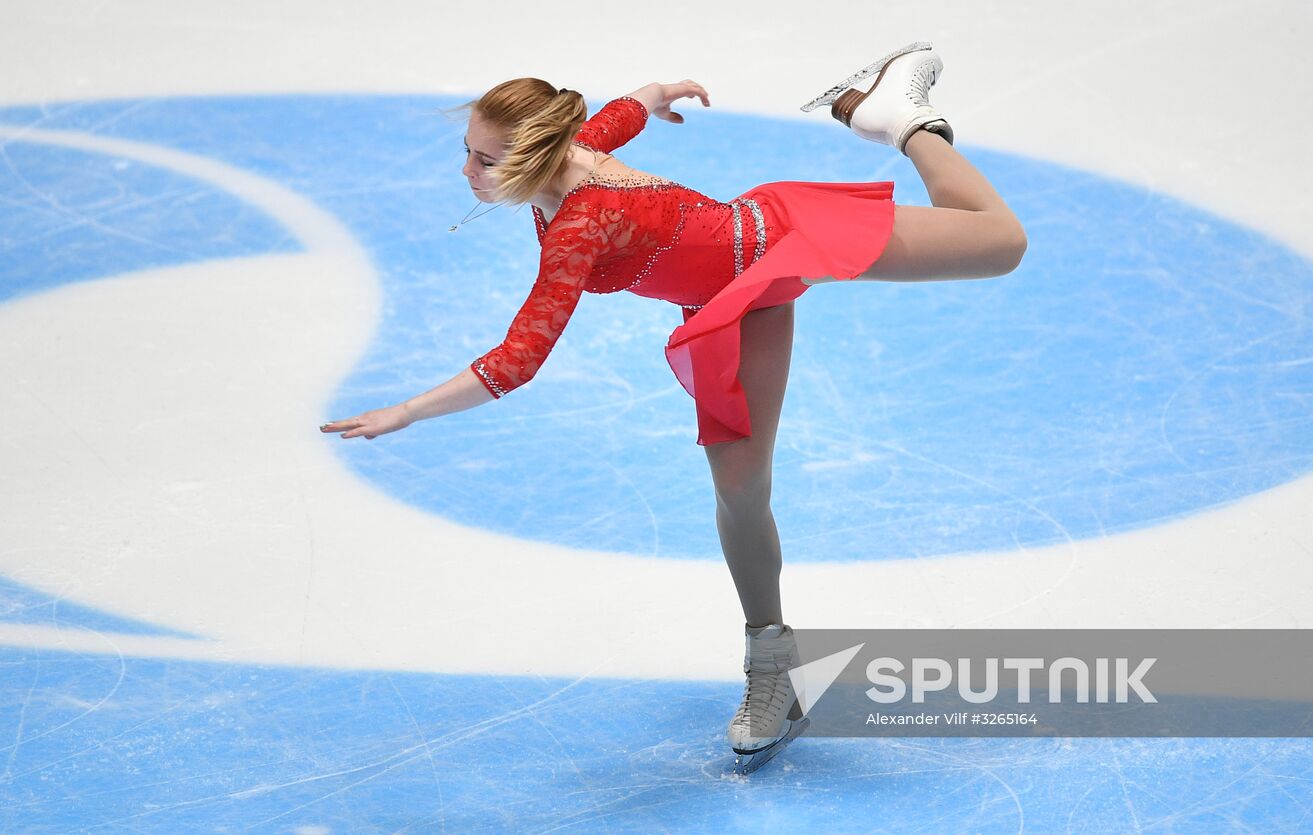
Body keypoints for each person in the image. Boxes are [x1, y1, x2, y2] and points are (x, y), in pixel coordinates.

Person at [320, 42, 1027, 764]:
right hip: (732, 307)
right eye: (469, 153)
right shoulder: (567, 152)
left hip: (780, 238)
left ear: (535, 156)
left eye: (484, 160)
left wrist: (405, 411)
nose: (468, 172)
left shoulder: (580, 225)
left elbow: (519, 358)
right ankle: (774, 671)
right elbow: (619, 117)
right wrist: (655, 93)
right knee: (741, 490)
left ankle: (902, 118)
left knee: (1001, 242)